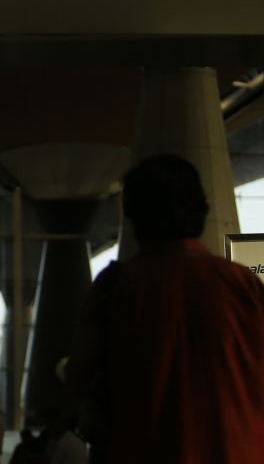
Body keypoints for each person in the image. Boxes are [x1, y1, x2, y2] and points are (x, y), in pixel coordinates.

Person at [65, 154, 264, 464]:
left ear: (132, 216)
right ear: (200, 208)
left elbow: (77, 377)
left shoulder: (114, 287)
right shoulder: (244, 285)